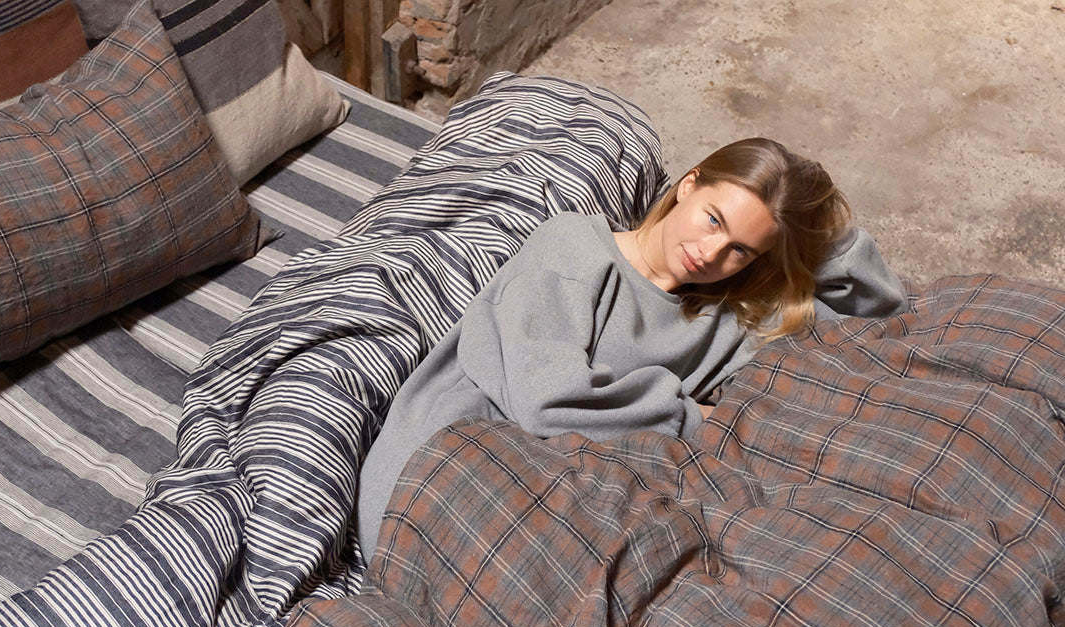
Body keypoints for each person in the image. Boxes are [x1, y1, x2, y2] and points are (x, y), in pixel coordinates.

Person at [355, 136, 908, 562]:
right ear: (688, 185)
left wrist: (818, 233)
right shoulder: (576, 247)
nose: (710, 252)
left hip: (566, 488)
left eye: (740, 249)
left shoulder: (727, 315)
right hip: (450, 461)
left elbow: (877, 320)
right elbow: (548, 400)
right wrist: (692, 416)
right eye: (712, 219)